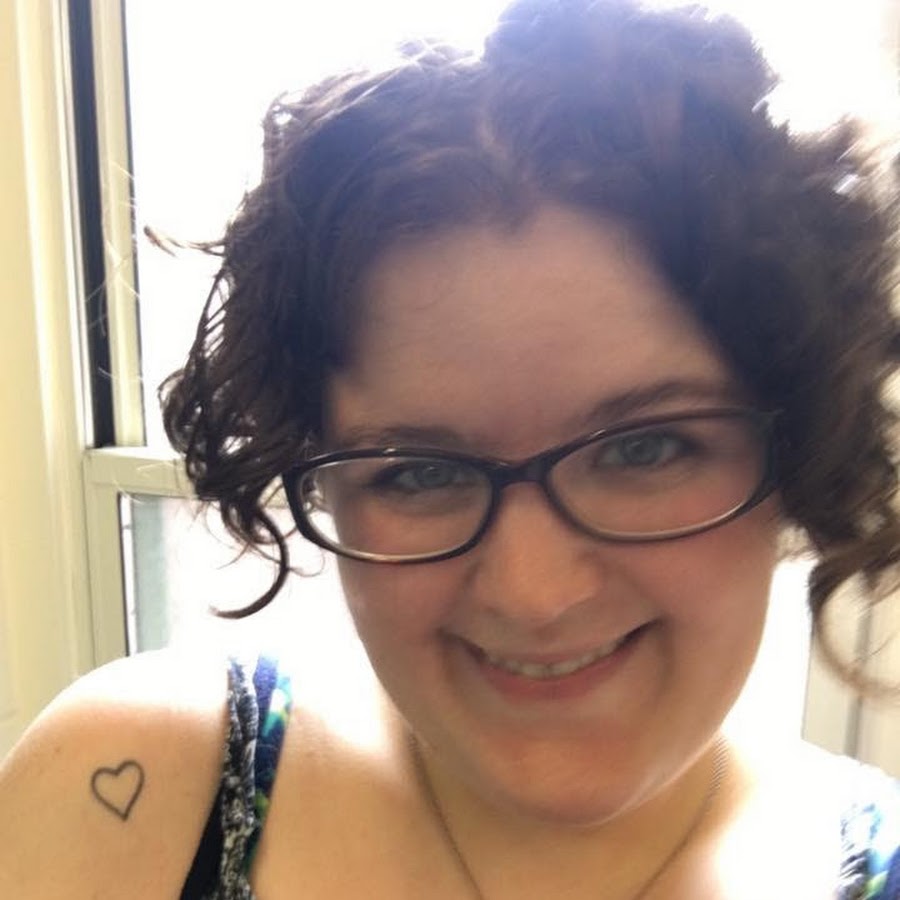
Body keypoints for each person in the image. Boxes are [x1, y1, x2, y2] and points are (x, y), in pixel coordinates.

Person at [2, 0, 899, 897]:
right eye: (419, 473)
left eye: (644, 450)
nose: (535, 594)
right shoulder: (141, 794)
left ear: (796, 440)